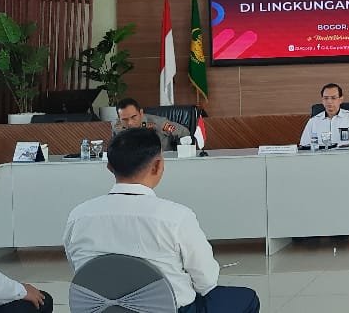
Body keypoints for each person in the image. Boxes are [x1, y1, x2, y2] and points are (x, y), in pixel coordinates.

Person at [62, 128, 260, 313]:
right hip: (171, 309)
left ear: (109, 167)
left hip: (100, 309)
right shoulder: (176, 217)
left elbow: (82, 271)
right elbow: (206, 282)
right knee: (247, 298)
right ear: (157, 166)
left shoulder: (78, 216)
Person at [298, 83, 349, 147]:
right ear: (322, 100)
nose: (329, 101)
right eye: (326, 98)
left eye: (333, 98)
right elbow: (304, 146)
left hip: (346, 154)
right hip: (321, 154)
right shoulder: (313, 121)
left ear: (341, 99)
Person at [113, 98, 190, 151]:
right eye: (124, 119)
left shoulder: (157, 123)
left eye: (133, 117)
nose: (130, 123)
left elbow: (184, 132)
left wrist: (180, 151)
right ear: (119, 118)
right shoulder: (117, 127)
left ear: (141, 113)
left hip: (161, 161)